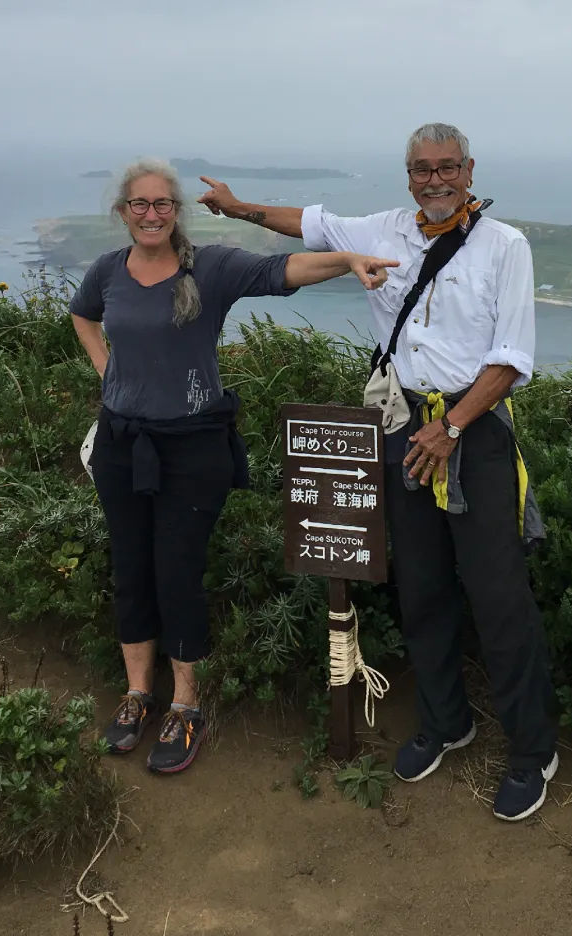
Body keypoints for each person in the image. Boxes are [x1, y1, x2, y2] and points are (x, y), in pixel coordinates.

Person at [198, 123, 558, 821]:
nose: (434, 179)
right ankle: (446, 723)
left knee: (498, 596)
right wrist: (237, 207)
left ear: (469, 169)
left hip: (469, 433)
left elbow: (512, 359)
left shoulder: (504, 246)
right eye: (422, 169)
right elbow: (303, 222)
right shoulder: (383, 230)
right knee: (420, 587)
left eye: (446, 166)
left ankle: (531, 751)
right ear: (408, 175)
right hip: (402, 429)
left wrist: (452, 426)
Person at [70, 158, 397, 775]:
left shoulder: (210, 267)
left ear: (177, 212)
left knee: (177, 571)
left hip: (193, 448)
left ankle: (186, 704)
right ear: (123, 213)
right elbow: (82, 315)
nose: (151, 214)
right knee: (130, 568)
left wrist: (348, 263)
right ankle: (139, 693)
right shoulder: (107, 271)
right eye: (139, 205)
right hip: (122, 444)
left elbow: (284, 270)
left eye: (162, 204)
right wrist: (106, 370)